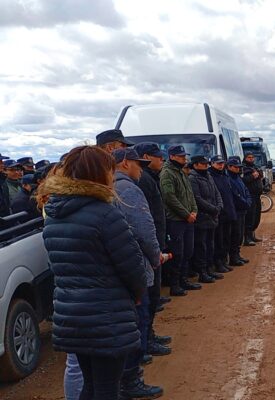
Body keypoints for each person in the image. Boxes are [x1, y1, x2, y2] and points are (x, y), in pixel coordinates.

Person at [38, 145, 146, 400]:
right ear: (100, 173)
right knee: (108, 387)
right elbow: (132, 266)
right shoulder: (105, 213)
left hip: (71, 313)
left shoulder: (54, 214)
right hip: (106, 315)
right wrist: (139, 292)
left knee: (90, 384)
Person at [111, 148, 165, 399]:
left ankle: (124, 378)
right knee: (137, 321)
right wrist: (156, 258)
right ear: (124, 164)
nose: (140, 168)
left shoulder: (106, 186)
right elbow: (144, 229)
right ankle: (131, 380)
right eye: (137, 163)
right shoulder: (129, 189)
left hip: (113, 272)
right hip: (135, 266)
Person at [133, 142, 172, 358]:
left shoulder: (148, 177)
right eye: (158, 157)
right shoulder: (143, 180)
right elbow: (144, 220)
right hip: (149, 248)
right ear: (146, 157)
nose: (162, 160)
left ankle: (150, 336)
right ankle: (145, 344)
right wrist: (154, 248)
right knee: (148, 297)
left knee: (153, 296)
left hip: (154, 242)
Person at [160, 145, 200, 296]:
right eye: (181, 156)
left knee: (188, 251)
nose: (185, 159)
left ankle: (184, 280)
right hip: (176, 220)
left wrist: (194, 210)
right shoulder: (167, 173)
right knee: (178, 253)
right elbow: (169, 198)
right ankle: (174, 284)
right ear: (172, 157)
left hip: (188, 219)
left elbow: (189, 195)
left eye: (185, 156)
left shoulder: (181, 173)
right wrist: (186, 214)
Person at [188, 155, 224, 283]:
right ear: (196, 165)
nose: (206, 165)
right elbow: (197, 199)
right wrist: (213, 209)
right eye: (203, 164)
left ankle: (209, 269)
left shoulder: (208, 176)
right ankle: (202, 272)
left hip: (212, 217)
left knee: (210, 244)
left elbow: (216, 193)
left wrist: (219, 206)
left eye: (206, 163)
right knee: (201, 246)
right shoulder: (192, 178)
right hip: (202, 218)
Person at [209, 155, 237, 272]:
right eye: (218, 163)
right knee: (218, 240)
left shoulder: (224, 175)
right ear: (212, 164)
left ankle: (224, 261)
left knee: (226, 239)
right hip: (219, 213)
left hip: (228, 212)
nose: (221, 165)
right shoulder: (211, 176)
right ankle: (218, 263)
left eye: (222, 163)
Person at [226, 156, 252, 265]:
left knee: (240, 234)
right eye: (236, 167)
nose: (238, 169)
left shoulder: (237, 178)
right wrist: (245, 203)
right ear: (229, 167)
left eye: (239, 167)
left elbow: (246, 191)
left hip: (242, 211)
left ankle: (237, 255)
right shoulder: (228, 179)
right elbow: (235, 196)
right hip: (236, 211)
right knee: (235, 235)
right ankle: (233, 258)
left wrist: (248, 201)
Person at [242, 152, 264, 245]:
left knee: (256, 217)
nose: (251, 159)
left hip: (257, 195)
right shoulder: (243, 168)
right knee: (250, 217)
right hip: (250, 196)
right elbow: (244, 180)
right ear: (245, 158)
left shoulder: (255, 167)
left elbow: (260, 174)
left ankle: (252, 235)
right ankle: (247, 238)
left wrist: (258, 174)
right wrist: (253, 176)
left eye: (252, 157)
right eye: (249, 157)